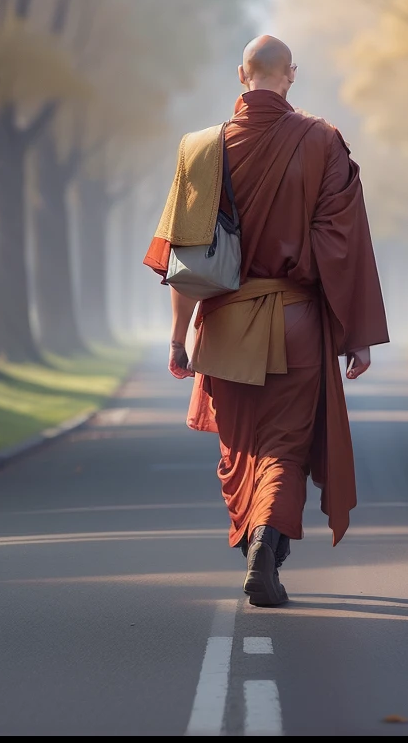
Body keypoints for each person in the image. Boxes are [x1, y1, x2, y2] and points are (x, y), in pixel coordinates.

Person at [143, 35, 389, 607]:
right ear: (292, 76)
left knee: (242, 451)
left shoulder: (201, 149)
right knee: (284, 447)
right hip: (297, 320)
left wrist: (178, 340)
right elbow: (342, 245)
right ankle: (266, 545)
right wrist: (356, 334)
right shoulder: (324, 142)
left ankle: (259, 537)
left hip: (224, 326)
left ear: (240, 75)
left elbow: (186, 258)